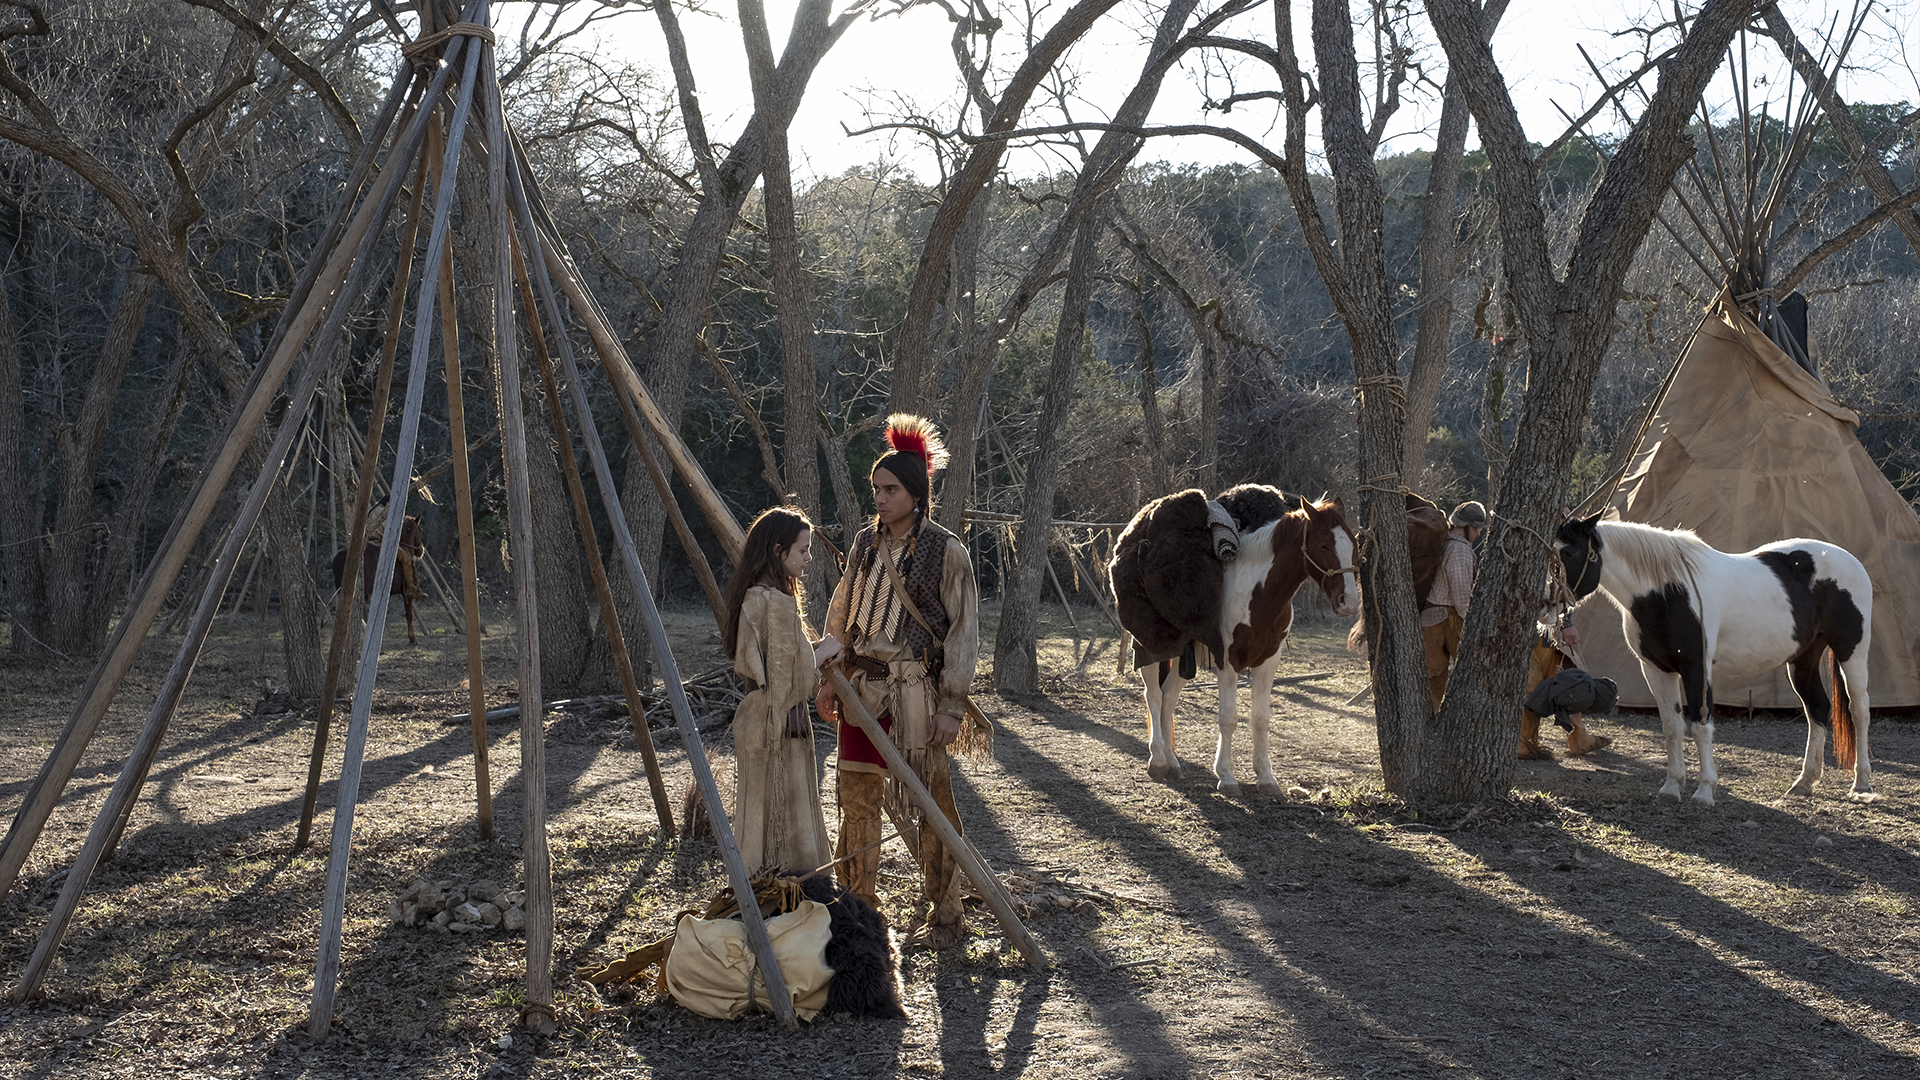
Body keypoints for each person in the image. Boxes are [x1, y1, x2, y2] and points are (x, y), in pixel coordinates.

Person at [814, 414, 986, 949]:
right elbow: (841, 611)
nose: (881, 498)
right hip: (860, 690)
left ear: (916, 493)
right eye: (876, 490)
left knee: (933, 805)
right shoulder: (866, 545)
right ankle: (859, 908)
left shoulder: (948, 551)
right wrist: (829, 679)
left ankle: (947, 911)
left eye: (891, 489)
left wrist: (951, 706)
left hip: (917, 694)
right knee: (856, 798)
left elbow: (963, 634)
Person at [722, 507, 834, 875]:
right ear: (777, 550)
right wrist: (827, 651)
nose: (808, 558)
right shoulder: (775, 603)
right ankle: (789, 895)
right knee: (786, 816)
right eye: (802, 550)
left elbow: (773, 670)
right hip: (779, 724)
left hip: (759, 721)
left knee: (758, 811)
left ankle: (755, 886)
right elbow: (789, 680)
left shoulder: (752, 596)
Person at [1421, 500, 1485, 710]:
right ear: (1466, 527)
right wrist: (1474, 625)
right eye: (1476, 528)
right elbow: (1461, 597)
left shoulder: (1449, 544)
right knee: (1444, 675)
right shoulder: (1459, 550)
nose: (1477, 534)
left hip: (1436, 618)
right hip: (1446, 619)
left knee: (1436, 676)